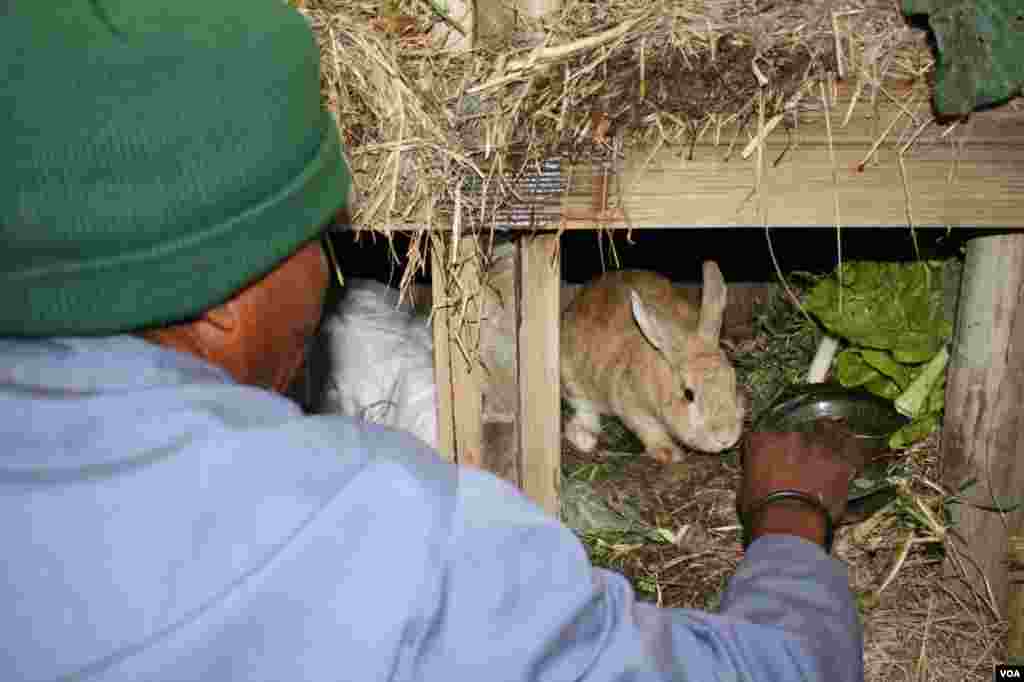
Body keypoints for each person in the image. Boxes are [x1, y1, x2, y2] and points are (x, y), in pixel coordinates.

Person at [1, 1, 866, 680]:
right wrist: (790, 515)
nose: (335, 273)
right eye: (322, 239)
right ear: (227, 296)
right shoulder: (385, 535)